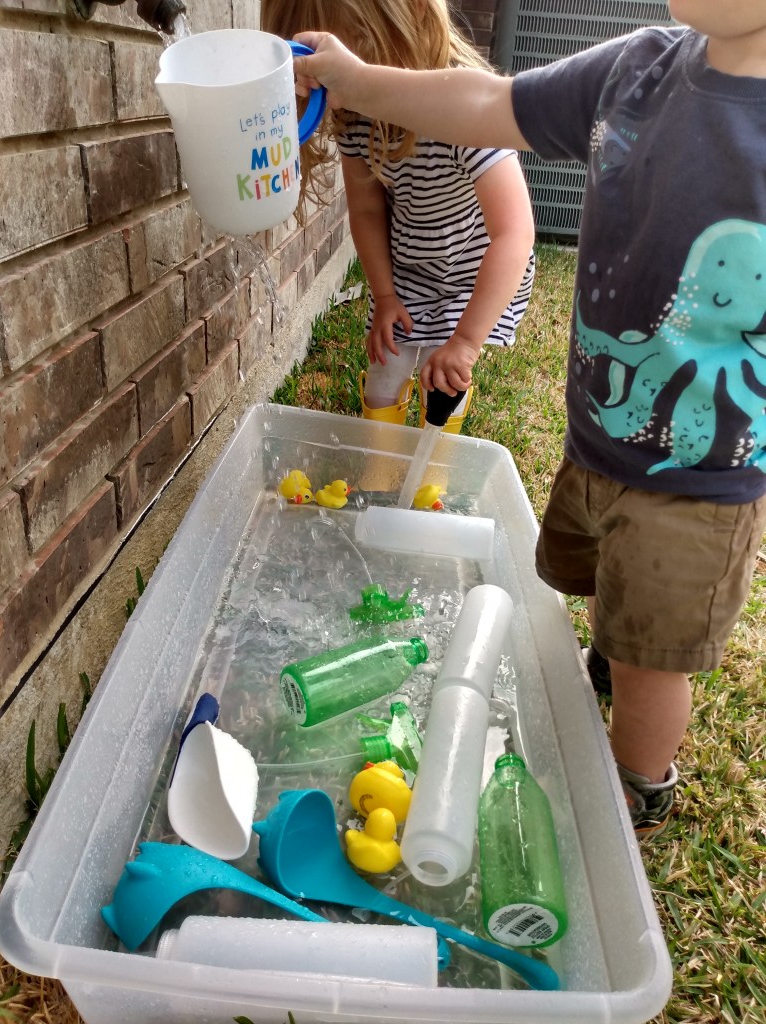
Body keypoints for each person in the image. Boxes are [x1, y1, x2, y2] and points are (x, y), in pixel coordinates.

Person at [291, 2, 766, 837]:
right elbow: (487, 102)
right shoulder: (637, 69)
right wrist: (356, 81)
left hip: (702, 477)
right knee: (601, 580)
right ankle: (612, 654)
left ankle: (636, 786)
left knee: (656, 651)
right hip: (600, 437)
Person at [261, 0, 536, 434]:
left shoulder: (463, 109)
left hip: (470, 276)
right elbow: (368, 209)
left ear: (412, 18)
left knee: (442, 379)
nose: (322, 82)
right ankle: (380, 463)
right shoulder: (355, 116)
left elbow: (514, 232)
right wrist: (386, 294)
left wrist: (466, 342)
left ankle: (434, 465)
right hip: (408, 271)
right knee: (384, 375)